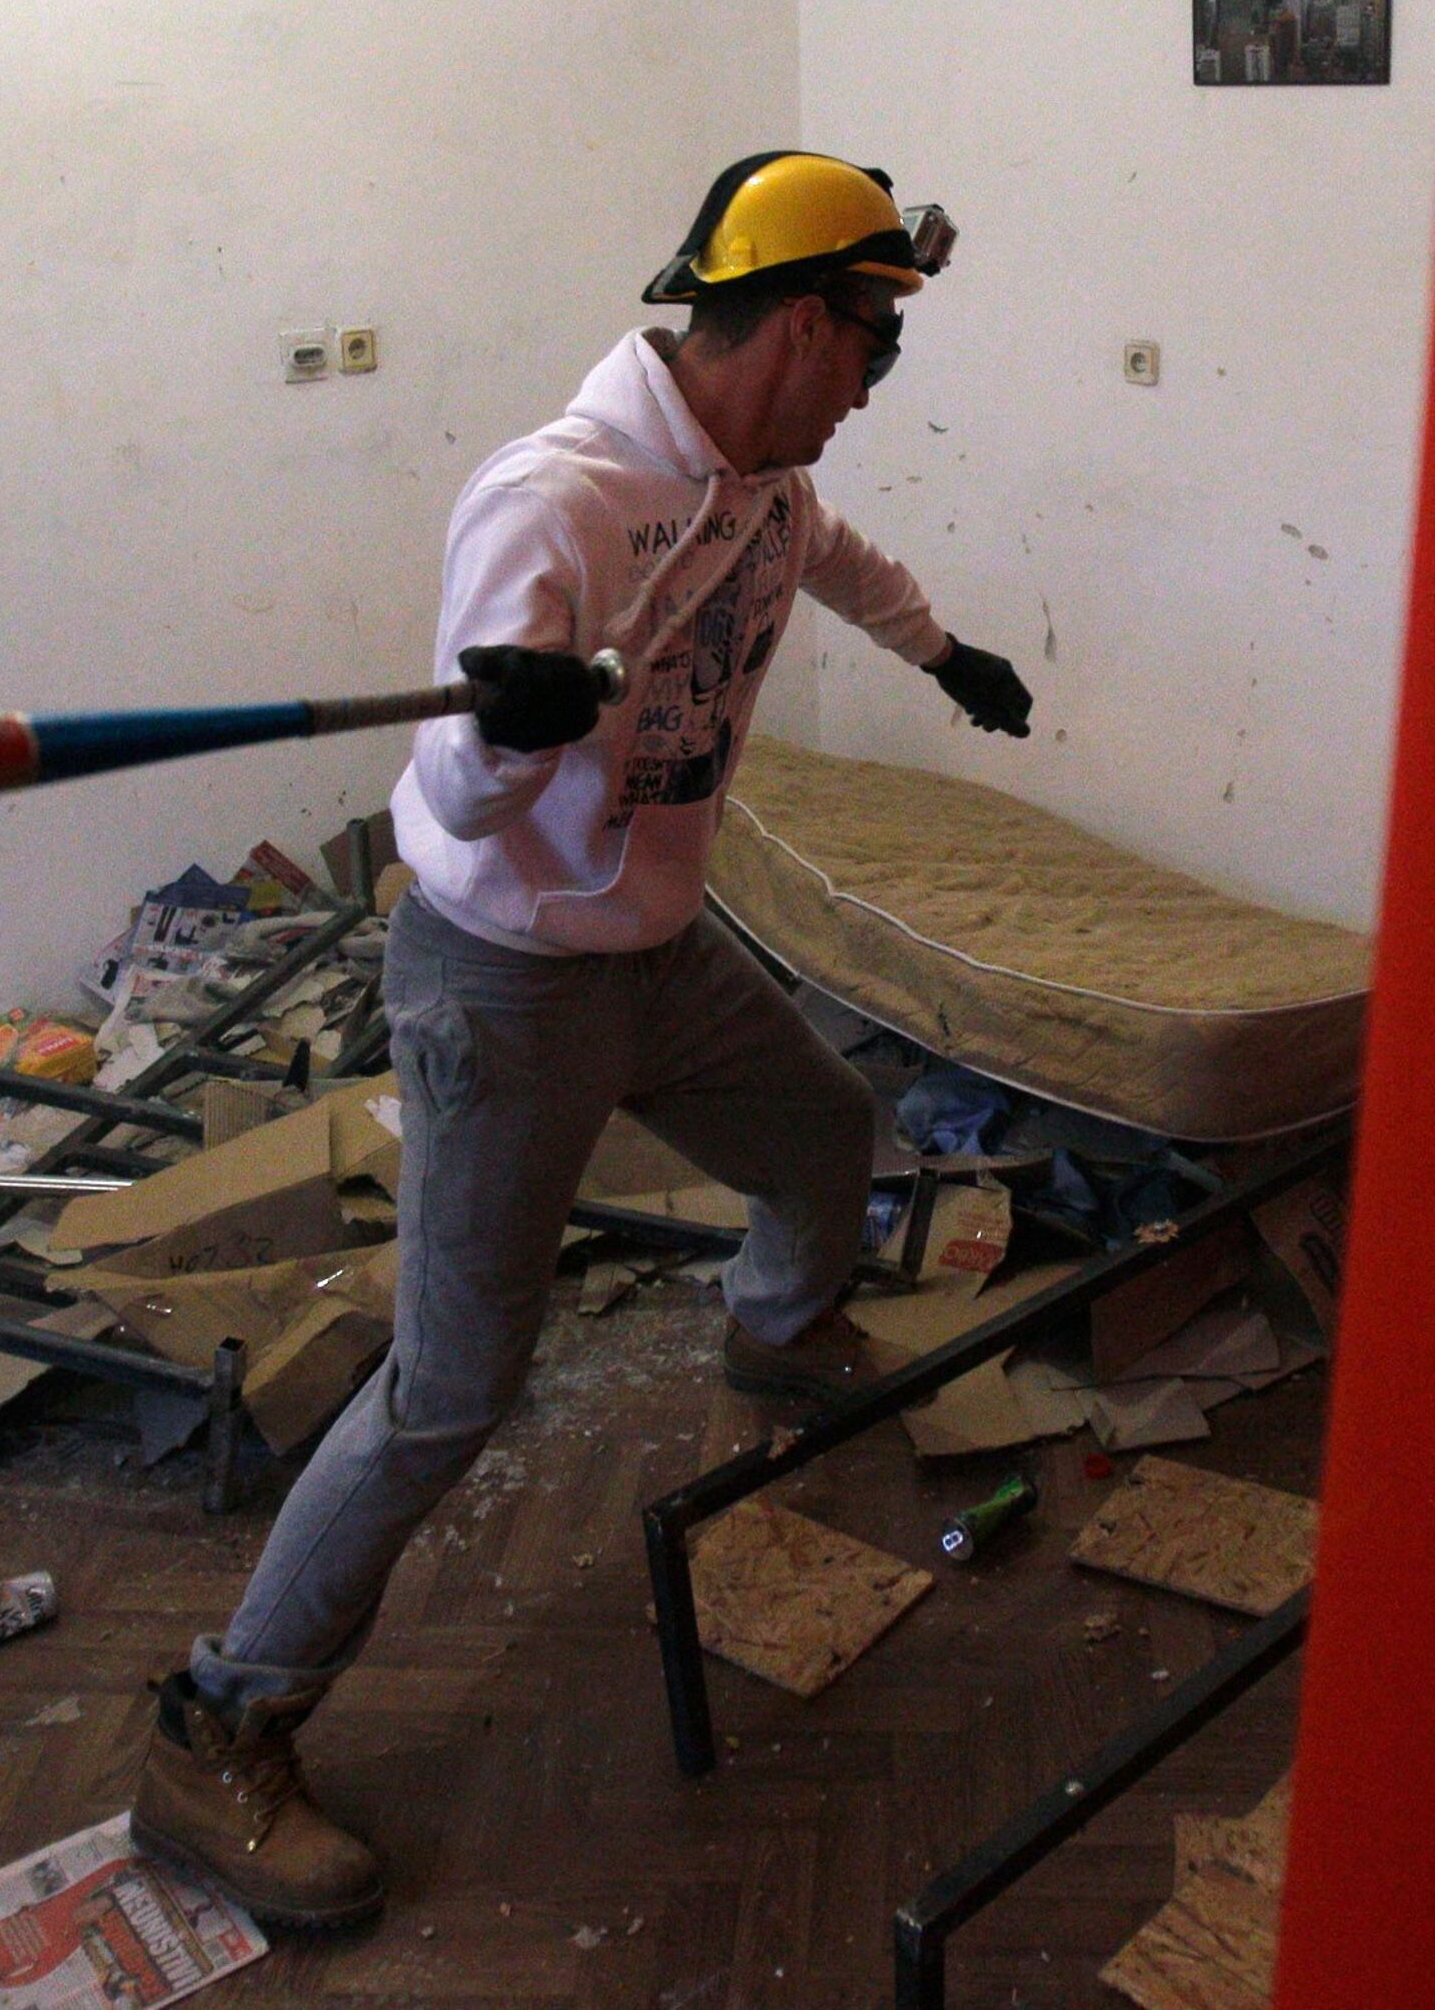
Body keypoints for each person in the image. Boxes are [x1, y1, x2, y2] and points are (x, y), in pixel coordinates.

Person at [130, 151, 1034, 1932]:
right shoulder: (555, 501)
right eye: (874, 347)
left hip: (660, 948)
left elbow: (836, 560)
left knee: (822, 1134)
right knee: (449, 1390)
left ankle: (779, 1335)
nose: (877, 385)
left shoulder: (768, 483)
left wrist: (946, 651)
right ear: (794, 325)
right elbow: (457, 797)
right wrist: (505, 733)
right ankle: (214, 1723)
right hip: (506, 979)